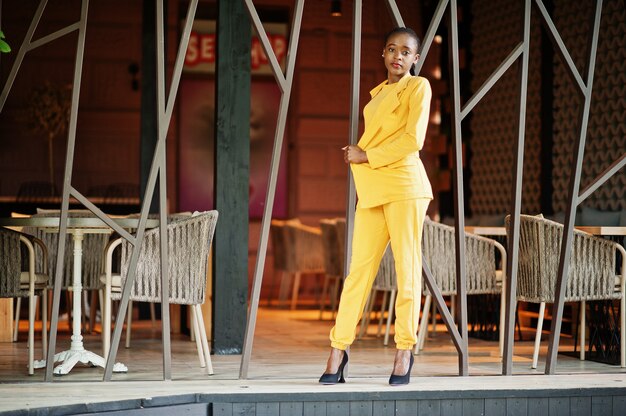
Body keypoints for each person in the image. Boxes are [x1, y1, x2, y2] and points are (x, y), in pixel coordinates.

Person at [319, 27, 432, 386]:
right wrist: (362, 157)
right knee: (358, 274)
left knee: (406, 271)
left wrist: (367, 155)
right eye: (391, 49)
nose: (398, 56)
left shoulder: (418, 87)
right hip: (372, 192)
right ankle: (338, 348)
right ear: (383, 54)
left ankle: (404, 350)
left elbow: (413, 139)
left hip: (404, 187)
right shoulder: (378, 93)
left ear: (415, 58)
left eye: (406, 52)